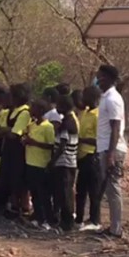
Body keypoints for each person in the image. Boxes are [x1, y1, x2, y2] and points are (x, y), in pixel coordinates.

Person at [95, 64, 127, 238]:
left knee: (113, 189)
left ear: (106, 78)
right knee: (109, 189)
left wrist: (111, 154)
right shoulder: (105, 97)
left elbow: (116, 127)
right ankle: (113, 226)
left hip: (112, 149)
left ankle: (116, 229)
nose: (97, 80)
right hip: (105, 148)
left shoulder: (113, 98)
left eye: (99, 76)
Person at [23, 100, 56, 231]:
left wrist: (35, 143)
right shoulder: (31, 125)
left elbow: (51, 145)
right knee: (35, 193)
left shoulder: (48, 127)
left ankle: (48, 220)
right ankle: (38, 218)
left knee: (44, 194)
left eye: (34, 108)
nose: (31, 110)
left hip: (41, 164)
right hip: (30, 162)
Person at [50, 95, 80, 232]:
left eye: (58, 105)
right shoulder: (69, 120)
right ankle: (65, 220)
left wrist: (52, 161)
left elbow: (62, 145)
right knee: (63, 191)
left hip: (65, 162)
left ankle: (68, 222)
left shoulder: (68, 123)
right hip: (66, 161)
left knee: (66, 192)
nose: (56, 108)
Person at [2, 83, 32, 217]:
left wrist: (6, 131)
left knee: (19, 178)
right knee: (10, 177)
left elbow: (15, 133)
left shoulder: (24, 112)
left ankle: (24, 207)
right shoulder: (13, 111)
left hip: (18, 151)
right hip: (9, 149)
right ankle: (13, 205)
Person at [76, 86, 102, 231]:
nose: (82, 99)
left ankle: (95, 220)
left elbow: (99, 139)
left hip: (92, 156)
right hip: (82, 156)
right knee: (81, 190)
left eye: (85, 96)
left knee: (94, 190)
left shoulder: (98, 115)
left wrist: (83, 140)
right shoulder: (85, 112)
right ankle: (79, 219)